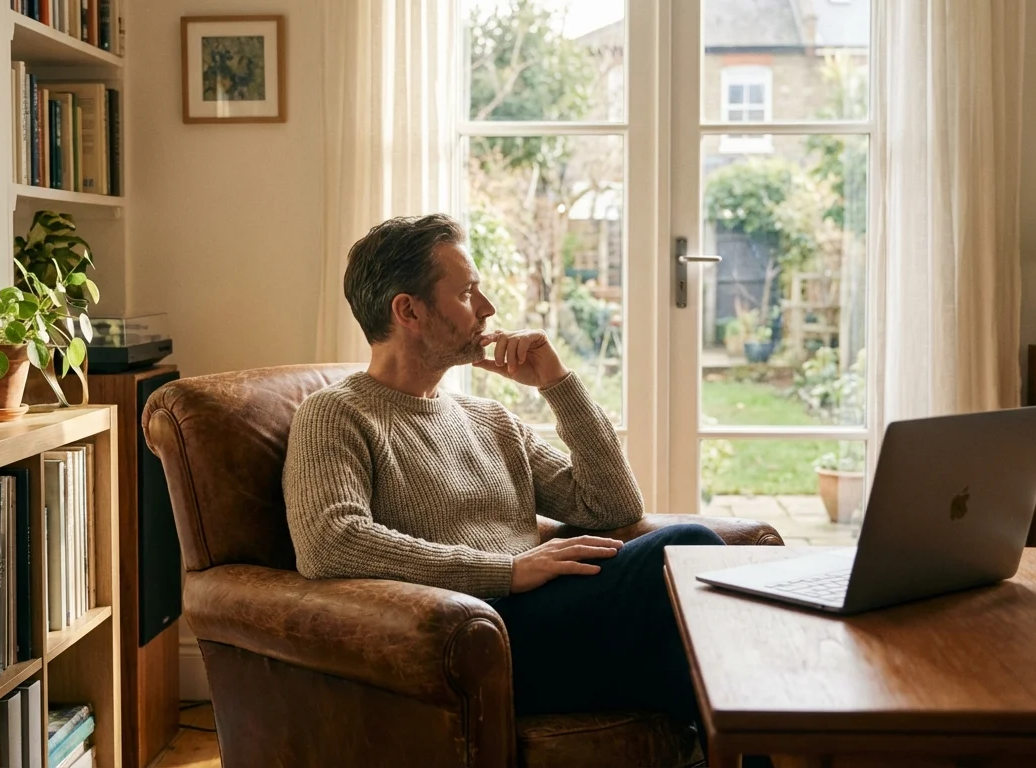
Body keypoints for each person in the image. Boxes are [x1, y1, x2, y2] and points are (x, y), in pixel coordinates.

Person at [285, 213, 761, 766]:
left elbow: (611, 505)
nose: (487, 308)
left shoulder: (489, 419)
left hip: (550, 625)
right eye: (467, 293)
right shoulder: (335, 414)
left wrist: (558, 385)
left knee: (700, 671)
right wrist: (508, 572)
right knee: (684, 548)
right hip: (471, 639)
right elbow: (330, 543)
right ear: (408, 310)